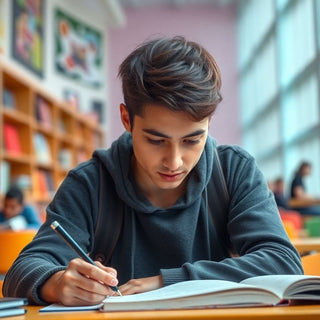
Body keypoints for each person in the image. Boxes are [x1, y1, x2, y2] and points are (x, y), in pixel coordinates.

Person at [3, 36, 303, 306]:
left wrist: (167, 281)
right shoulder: (90, 183)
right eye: (156, 140)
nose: (174, 161)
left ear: (209, 123)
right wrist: (55, 284)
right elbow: (22, 270)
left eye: (191, 140)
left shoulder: (234, 170)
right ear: (126, 119)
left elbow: (283, 263)